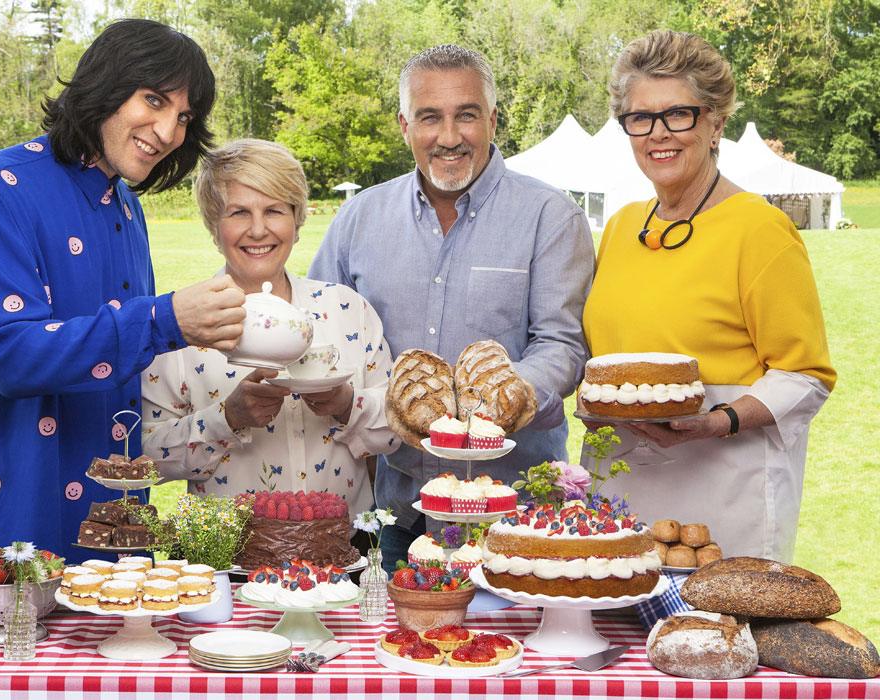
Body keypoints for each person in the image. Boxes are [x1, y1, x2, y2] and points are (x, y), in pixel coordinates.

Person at [0, 19, 248, 558]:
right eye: (153, 100)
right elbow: (13, 356)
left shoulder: (127, 208)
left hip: (119, 523)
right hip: (21, 518)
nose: (168, 130)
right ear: (105, 85)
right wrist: (165, 320)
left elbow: (127, 364)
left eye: (183, 117)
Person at [309, 45, 594, 571]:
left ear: (491, 119)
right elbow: (321, 330)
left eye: (466, 115)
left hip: (515, 509)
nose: (448, 136)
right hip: (398, 504)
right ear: (404, 125)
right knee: (396, 647)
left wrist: (502, 397)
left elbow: (562, 345)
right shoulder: (359, 218)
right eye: (429, 117)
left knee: (521, 652)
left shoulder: (550, 216)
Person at [582, 30, 835, 561]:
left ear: (716, 122)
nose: (658, 133)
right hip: (621, 489)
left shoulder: (759, 229)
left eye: (679, 114)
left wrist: (718, 420)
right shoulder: (624, 225)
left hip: (724, 492)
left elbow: (805, 375)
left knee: (712, 639)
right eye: (641, 118)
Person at [141, 139, 400, 521]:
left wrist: (346, 405)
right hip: (227, 559)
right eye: (239, 212)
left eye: (275, 210)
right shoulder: (182, 326)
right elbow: (148, 458)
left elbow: (397, 427)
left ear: (297, 222)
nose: (258, 230)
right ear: (214, 226)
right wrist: (226, 418)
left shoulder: (347, 310)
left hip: (343, 558)